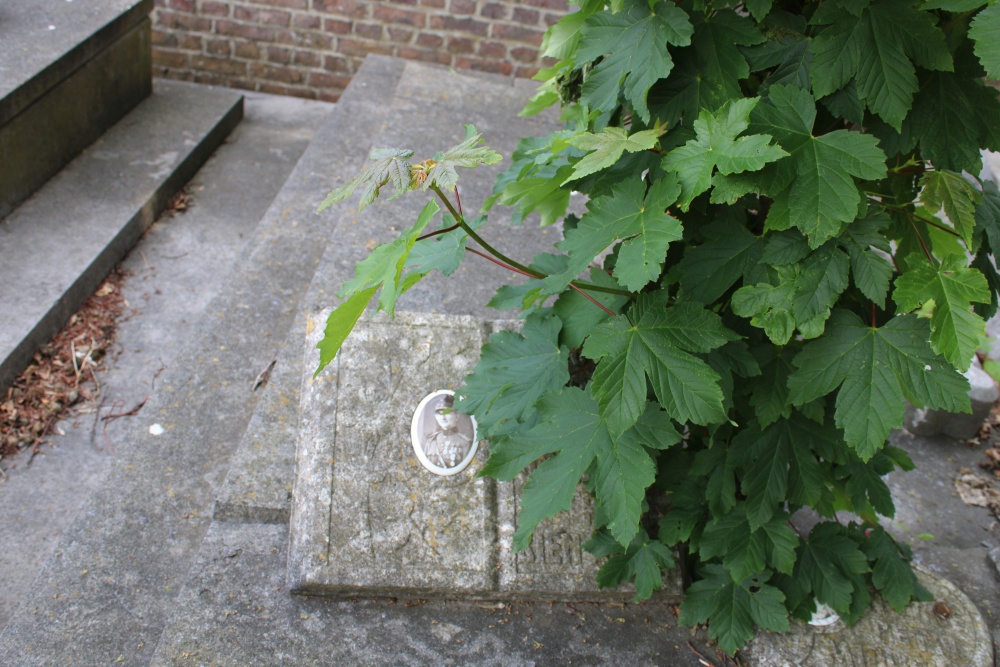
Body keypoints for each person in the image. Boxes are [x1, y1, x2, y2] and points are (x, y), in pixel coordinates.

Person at [423, 394, 473, 468]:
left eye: (447, 412)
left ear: (456, 416)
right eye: (439, 413)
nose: (443, 417)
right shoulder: (431, 441)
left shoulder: (465, 442)